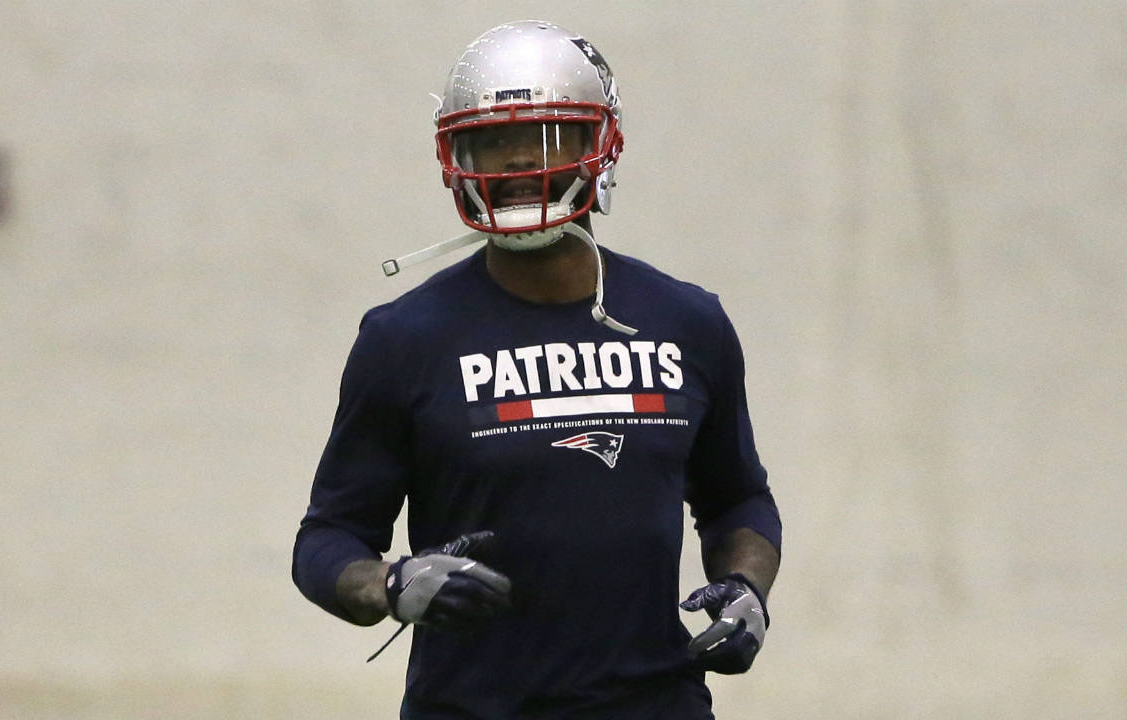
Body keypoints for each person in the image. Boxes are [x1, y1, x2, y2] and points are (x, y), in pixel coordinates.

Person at [292, 20, 781, 719]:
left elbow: (738, 501)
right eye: (493, 140)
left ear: (600, 145)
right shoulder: (403, 338)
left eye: (548, 136)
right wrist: (390, 583)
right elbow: (327, 539)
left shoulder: (688, 322)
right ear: (457, 154)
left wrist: (745, 588)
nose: (521, 160)